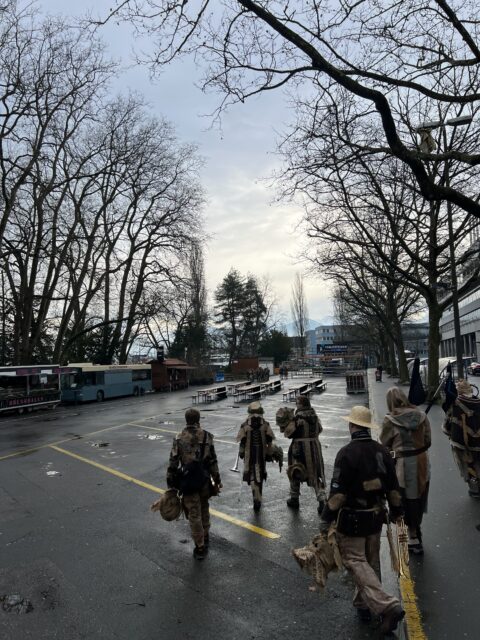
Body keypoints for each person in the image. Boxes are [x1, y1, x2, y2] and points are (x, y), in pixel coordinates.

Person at [319, 405, 405, 634]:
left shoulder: (346, 453)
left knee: (355, 561)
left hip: (352, 521)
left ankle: (388, 605)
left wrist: (325, 519)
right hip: (376, 518)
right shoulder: (383, 451)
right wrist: (397, 512)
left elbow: (338, 496)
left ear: (351, 425)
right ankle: (363, 605)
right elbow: (394, 489)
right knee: (371, 562)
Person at [380, 387, 431, 555]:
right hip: (422, 461)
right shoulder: (421, 416)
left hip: (402, 464)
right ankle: (416, 529)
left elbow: (384, 442)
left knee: (406, 500)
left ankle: (413, 536)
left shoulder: (389, 420)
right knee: (419, 496)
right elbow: (428, 441)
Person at [166, 408, 222, 560]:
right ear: (198, 419)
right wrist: (217, 479)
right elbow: (213, 461)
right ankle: (206, 534)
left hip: (188, 481)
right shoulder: (207, 436)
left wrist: (170, 484)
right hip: (204, 480)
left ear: (186, 420)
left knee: (194, 514)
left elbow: (173, 463)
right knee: (204, 507)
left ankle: (200, 546)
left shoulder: (179, 438)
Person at [283, 394, 327, 513]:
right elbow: (320, 429)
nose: (296, 405)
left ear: (301, 405)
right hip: (314, 448)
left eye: (297, 403)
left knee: (295, 471)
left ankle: (294, 499)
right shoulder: (315, 416)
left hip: (299, 449)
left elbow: (288, 434)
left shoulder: (298, 418)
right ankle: (322, 501)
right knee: (315, 473)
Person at [443, 379, 480, 499]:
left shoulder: (455, 404)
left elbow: (446, 427)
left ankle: (474, 489)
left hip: (462, 443)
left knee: (467, 465)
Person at [237, 401, 276, 511]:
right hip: (261, 454)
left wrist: (241, 452)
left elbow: (242, 441)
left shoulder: (245, 425)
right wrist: (269, 454)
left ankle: (256, 496)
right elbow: (269, 440)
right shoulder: (265, 424)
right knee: (261, 473)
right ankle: (258, 495)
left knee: (252, 474)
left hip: (250, 455)